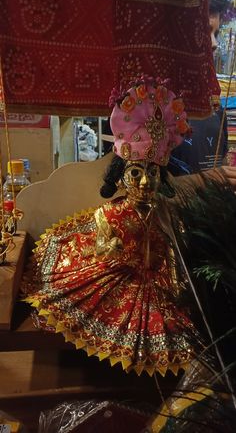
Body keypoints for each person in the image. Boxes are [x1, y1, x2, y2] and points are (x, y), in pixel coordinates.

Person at [22, 76, 206, 377]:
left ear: (162, 178)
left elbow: (175, 255)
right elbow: (101, 249)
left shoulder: (168, 215)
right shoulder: (110, 215)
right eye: (136, 173)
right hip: (117, 280)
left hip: (158, 283)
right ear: (121, 177)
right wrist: (113, 250)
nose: (145, 182)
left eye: (152, 173)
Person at [168, 0, 230, 177]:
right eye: (205, 31)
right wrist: (209, 180)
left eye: (216, 33)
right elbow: (140, 187)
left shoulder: (214, 103)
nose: (214, 43)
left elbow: (221, 158)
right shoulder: (151, 104)